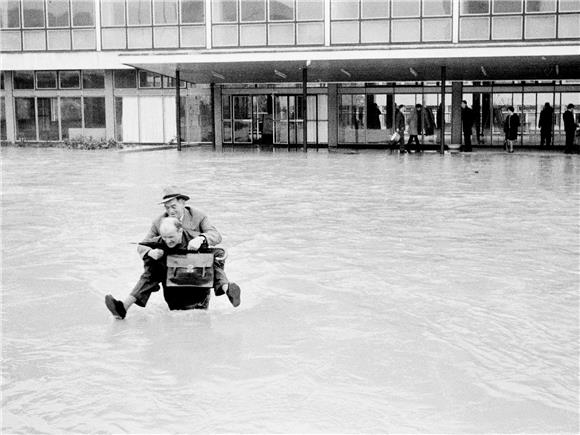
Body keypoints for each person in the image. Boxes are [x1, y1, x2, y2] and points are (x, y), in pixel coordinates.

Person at [105, 187, 241, 319]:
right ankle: (123, 307)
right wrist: (150, 253)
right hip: (172, 271)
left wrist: (201, 238)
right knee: (151, 269)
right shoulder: (159, 222)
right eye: (167, 207)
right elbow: (142, 245)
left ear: (183, 203)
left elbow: (216, 236)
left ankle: (227, 290)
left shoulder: (198, 216)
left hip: (197, 269)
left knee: (215, 260)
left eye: (173, 206)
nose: (170, 210)